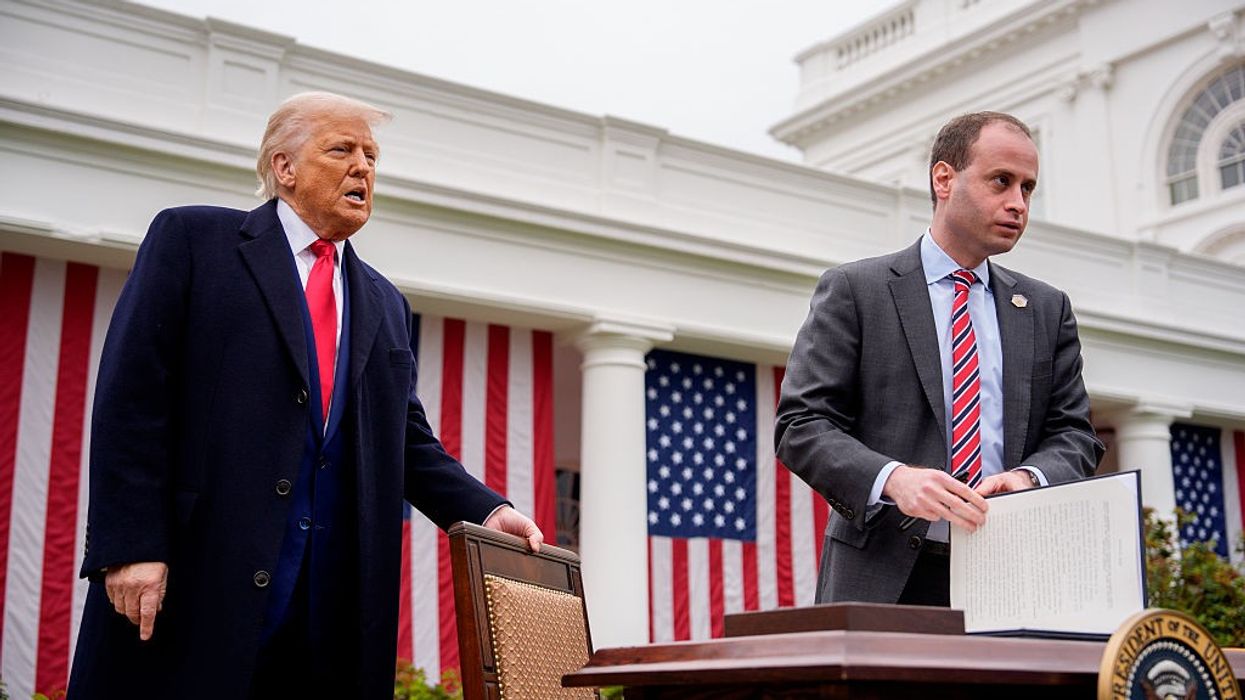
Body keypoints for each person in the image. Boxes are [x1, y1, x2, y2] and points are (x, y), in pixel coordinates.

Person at [67, 92, 543, 699]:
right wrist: (131, 546)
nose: (364, 167)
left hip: (330, 617)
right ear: (284, 167)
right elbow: (132, 400)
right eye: (342, 149)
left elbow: (406, 441)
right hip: (196, 583)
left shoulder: (383, 302)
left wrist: (485, 510)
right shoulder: (194, 241)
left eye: (372, 155)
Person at [775, 111, 1103, 607]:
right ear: (944, 179)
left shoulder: (1046, 309)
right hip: (885, 579)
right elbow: (801, 425)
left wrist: (1027, 479)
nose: (1018, 203)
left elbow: (1074, 434)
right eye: (1001, 181)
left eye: (1028, 188)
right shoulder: (856, 291)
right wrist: (894, 480)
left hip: (1013, 576)